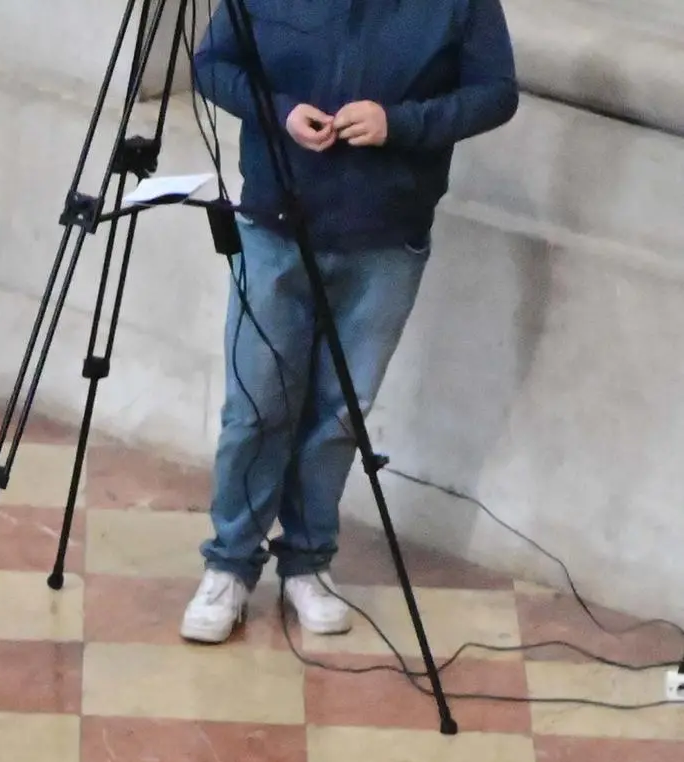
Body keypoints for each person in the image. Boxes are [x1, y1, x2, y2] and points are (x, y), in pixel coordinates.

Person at [183, 0, 516, 645]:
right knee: (256, 406)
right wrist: (279, 112)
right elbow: (213, 66)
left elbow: (496, 93)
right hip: (275, 224)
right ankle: (229, 564)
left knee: (341, 413)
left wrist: (401, 123)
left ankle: (308, 563)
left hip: (386, 235)